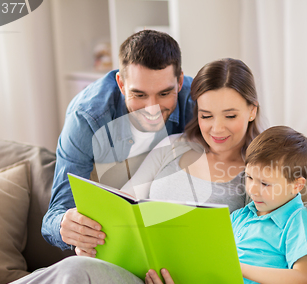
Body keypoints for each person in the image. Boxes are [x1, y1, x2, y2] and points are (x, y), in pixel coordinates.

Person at [0, 58, 263, 284]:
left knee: (74, 277)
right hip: (128, 273)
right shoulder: (173, 145)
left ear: (252, 111)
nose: (217, 128)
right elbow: (124, 202)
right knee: (50, 281)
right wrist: (91, 235)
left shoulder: (258, 176)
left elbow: (258, 253)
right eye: (206, 115)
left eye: (230, 115)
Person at [137, 126, 307, 284]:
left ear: (296, 185)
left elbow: (303, 280)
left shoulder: (299, 220)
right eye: (250, 177)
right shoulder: (240, 215)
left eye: (265, 183)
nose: (252, 189)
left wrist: (237, 267)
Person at [42, 29, 194, 257]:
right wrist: (66, 225)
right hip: (115, 243)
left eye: (164, 94)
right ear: (121, 84)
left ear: (180, 81)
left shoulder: (200, 101)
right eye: (140, 95)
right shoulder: (87, 116)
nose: (152, 109)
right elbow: (53, 216)